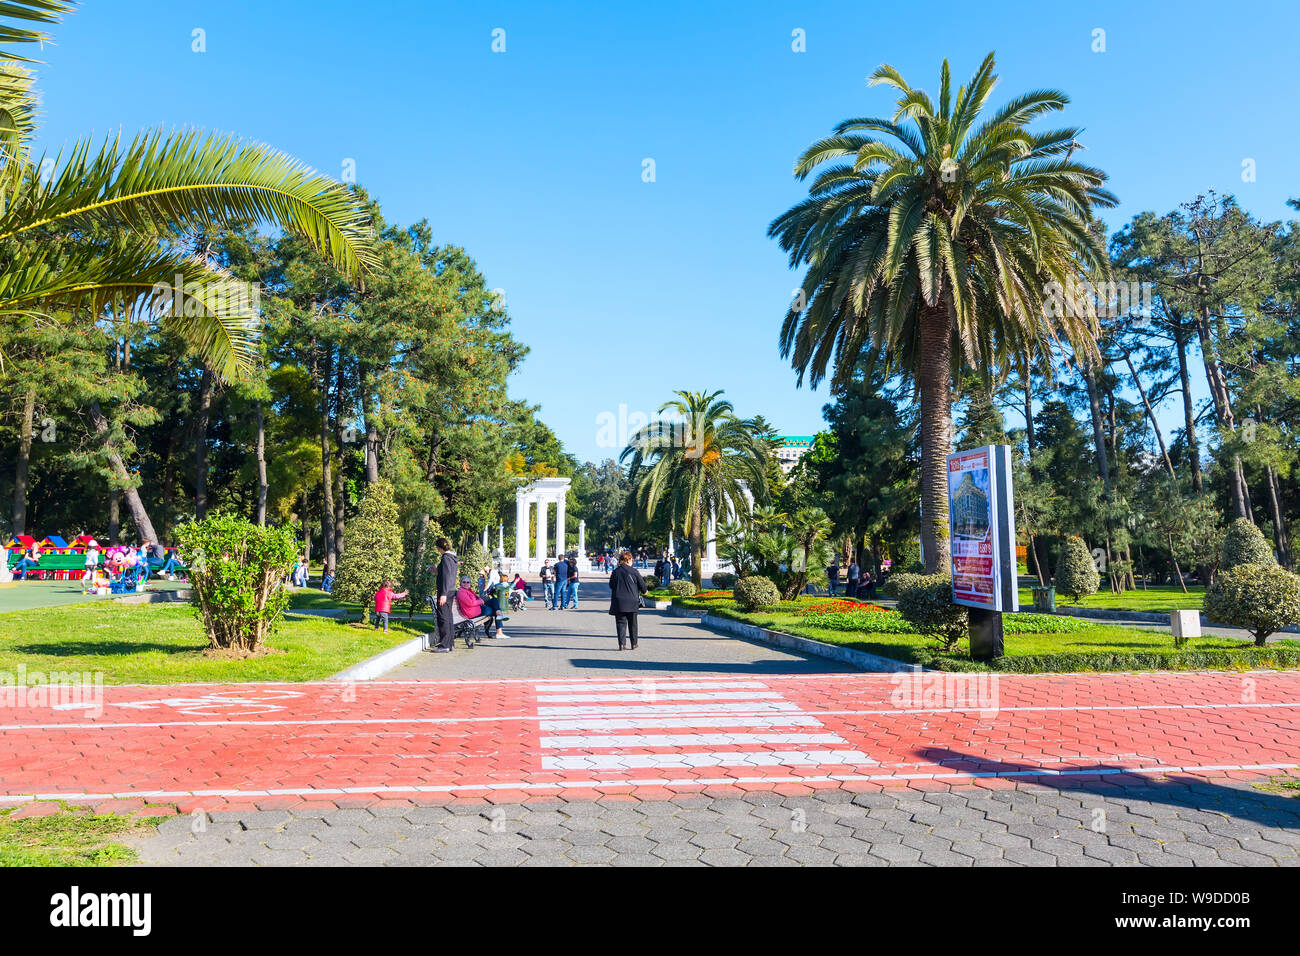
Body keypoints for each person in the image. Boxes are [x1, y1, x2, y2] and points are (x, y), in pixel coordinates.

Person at [608, 550, 648, 650]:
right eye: (631, 559)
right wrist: (644, 592)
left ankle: (622, 644)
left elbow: (611, 585)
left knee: (621, 623)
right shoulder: (634, 571)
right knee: (633, 623)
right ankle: (634, 644)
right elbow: (643, 587)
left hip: (619, 601)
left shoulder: (615, 572)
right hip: (632, 601)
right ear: (628, 559)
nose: (632, 561)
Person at [432, 538, 458, 652]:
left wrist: (443, 594)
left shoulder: (446, 558)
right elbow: (446, 573)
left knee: (443, 618)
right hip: (450, 591)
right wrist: (436, 571)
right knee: (448, 617)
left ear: (439, 547)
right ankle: (450, 643)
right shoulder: (452, 558)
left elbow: (447, 577)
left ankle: (444, 645)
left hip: (446, 592)